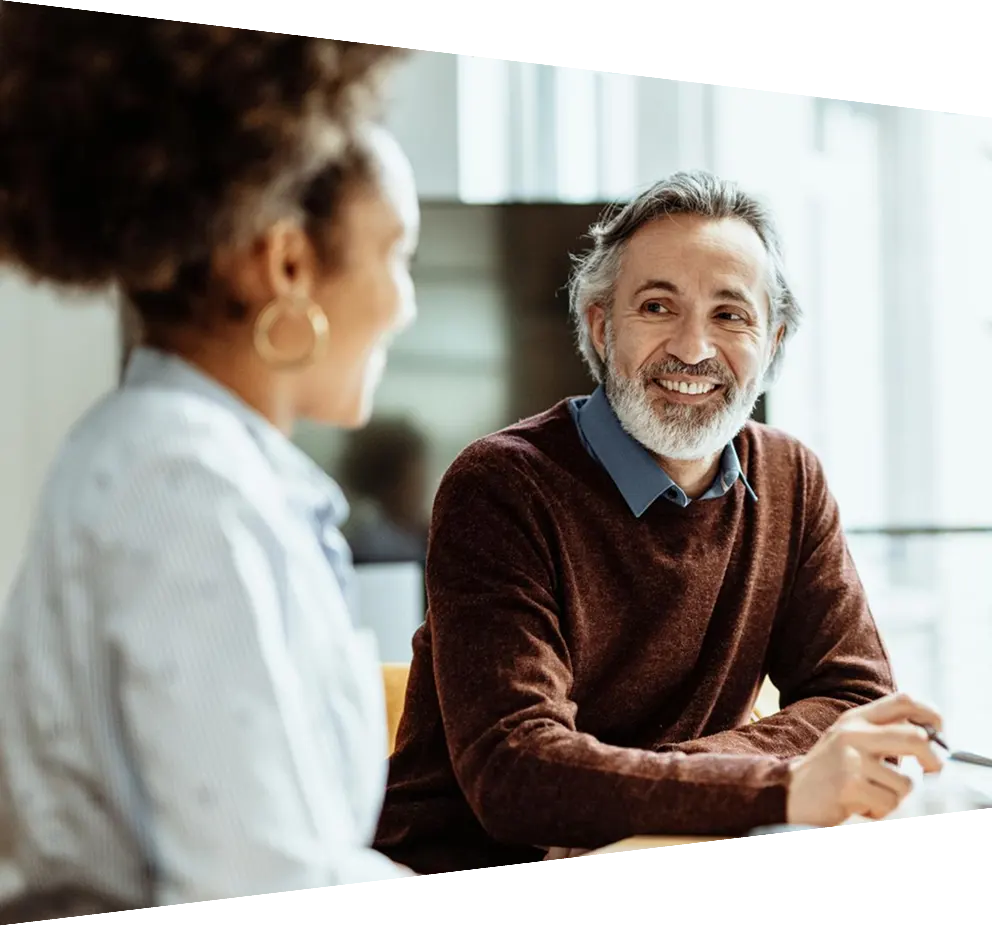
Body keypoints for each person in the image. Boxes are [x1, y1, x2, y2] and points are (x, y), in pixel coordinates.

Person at [374, 170, 945, 875]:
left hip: (669, 864)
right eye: (656, 306)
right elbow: (516, 773)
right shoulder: (500, 484)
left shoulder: (792, 478)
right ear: (600, 325)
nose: (694, 349)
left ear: (774, 341)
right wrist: (783, 784)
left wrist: (624, 796)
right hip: (472, 887)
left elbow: (854, 700)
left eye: (731, 315)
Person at [0, 3, 420, 915]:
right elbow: (261, 890)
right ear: (284, 266)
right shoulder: (183, 484)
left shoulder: (193, 461)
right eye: (398, 254)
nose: (406, 305)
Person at [338, 416, 431, 567]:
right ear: (390, 486)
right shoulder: (369, 541)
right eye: (415, 480)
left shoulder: (420, 532)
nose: (423, 488)